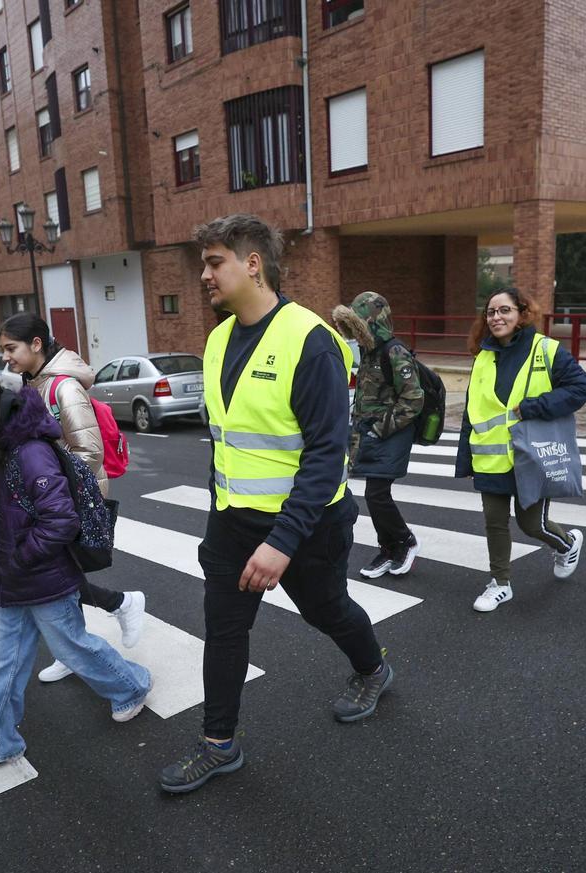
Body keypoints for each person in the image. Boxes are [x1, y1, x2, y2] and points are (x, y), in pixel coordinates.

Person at [158, 214, 392, 795]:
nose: (204, 275)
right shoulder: (216, 339)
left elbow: (324, 456)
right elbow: (228, 439)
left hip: (307, 526)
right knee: (224, 630)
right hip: (234, 523)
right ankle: (219, 744)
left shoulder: (309, 341)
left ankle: (373, 669)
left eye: (215, 262)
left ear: (253, 262)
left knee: (326, 611)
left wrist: (281, 541)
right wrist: (222, 515)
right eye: (204, 263)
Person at [0, 371, 152, 777]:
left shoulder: (29, 452)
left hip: (43, 580)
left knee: (74, 648)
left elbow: (60, 521)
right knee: (3, 666)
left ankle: (132, 685)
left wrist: (18, 559)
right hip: (12, 582)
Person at [0, 313, 145, 683]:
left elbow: (89, 451)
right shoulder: (31, 384)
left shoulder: (63, 387)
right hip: (52, 495)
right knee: (61, 576)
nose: (5, 358)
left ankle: (121, 605)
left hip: (69, 496)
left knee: (58, 576)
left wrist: (47, 488)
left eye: (11, 348)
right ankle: (74, 645)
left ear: (36, 344)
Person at [455, 287, 586, 612]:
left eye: (504, 310)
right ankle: (500, 583)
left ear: (521, 313)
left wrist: (535, 406)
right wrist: (465, 458)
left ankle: (567, 544)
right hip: (490, 458)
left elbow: (580, 387)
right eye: (490, 312)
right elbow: (472, 410)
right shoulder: (483, 357)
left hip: (531, 456)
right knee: (494, 521)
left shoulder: (546, 350)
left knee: (532, 525)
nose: (496, 317)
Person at [331, 291, 423, 578]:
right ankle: (388, 549)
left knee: (377, 494)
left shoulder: (394, 351)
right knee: (374, 496)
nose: (355, 334)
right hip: (371, 436)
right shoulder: (369, 352)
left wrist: (379, 428)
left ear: (374, 322)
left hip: (390, 435)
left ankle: (405, 542)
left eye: (359, 326)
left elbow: (414, 399)